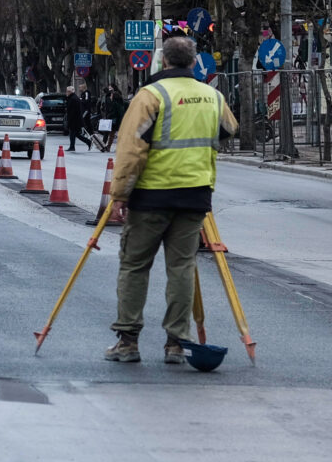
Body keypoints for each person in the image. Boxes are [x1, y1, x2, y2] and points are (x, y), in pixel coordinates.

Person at [102, 35, 238, 365]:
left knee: (135, 266)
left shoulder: (151, 96)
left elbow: (131, 150)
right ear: (194, 62)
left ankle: (128, 341)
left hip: (151, 197)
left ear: (164, 62)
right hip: (195, 197)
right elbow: (230, 129)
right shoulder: (213, 96)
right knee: (182, 268)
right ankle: (177, 343)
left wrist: (119, 194)